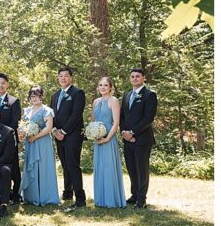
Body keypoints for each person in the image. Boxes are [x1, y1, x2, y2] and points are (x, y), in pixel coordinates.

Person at [120, 67, 158, 208]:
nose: (135, 78)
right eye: (132, 76)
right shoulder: (127, 95)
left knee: (141, 169)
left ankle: (141, 199)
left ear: (143, 78)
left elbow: (149, 117)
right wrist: (124, 132)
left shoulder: (149, 95)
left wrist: (133, 133)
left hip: (142, 139)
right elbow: (122, 116)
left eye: (137, 76)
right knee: (131, 168)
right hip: (127, 138)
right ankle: (134, 194)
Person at [50, 66, 87, 208]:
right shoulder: (54, 95)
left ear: (71, 78)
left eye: (66, 76)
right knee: (65, 165)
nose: (63, 78)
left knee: (73, 165)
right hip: (57, 135)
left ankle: (80, 198)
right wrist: (54, 130)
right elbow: (51, 115)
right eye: (61, 76)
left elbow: (76, 115)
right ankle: (67, 192)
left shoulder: (78, 93)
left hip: (72, 135)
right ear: (58, 78)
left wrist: (63, 131)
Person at [19, 86, 61, 207]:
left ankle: (45, 197)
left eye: (37, 96)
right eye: (32, 96)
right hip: (30, 143)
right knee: (30, 167)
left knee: (44, 168)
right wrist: (23, 133)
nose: (34, 98)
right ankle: (31, 196)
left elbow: (48, 128)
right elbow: (22, 126)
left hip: (42, 142)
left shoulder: (47, 110)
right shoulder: (26, 111)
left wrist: (35, 136)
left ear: (41, 96)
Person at [90, 77, 126, 208]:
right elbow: (93, 120)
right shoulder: (95, 102)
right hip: (98, 139)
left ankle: (112, 200)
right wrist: (93, 134)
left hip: (108, 140)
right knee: (99, 167)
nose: (103, 87)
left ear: (111, 87)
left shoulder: (113, 101)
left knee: (108, 168)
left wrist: (107, 138)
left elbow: (116, 123)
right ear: (98, 87)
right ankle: (100, 199)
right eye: (100, 85)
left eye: (105, 85)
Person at [0, 73, 23, 202]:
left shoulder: (14, 101)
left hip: (9, 139)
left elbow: (15, 121)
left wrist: (3, 135)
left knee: (13, 166)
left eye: (3, 83)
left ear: (7, 84)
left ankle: (16, 194)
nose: (0, 85)